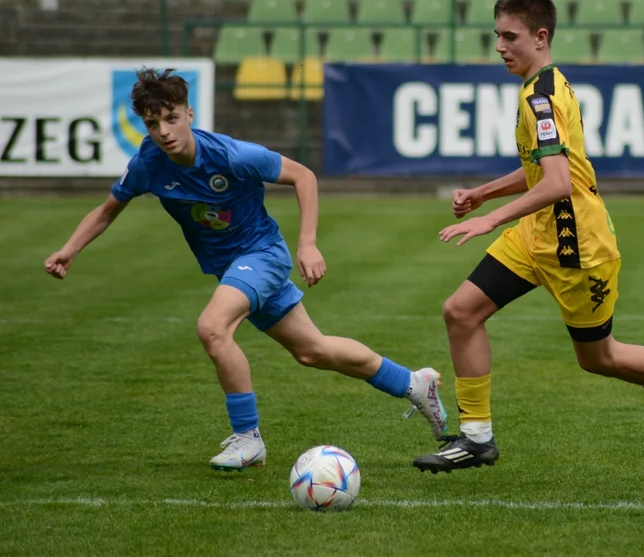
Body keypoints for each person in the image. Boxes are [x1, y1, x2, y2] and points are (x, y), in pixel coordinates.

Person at [44, 68, 448, 471]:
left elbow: (303, 177)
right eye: (152, 124)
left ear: (189, 113)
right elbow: (106, 211)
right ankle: (413, 383)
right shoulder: (148, 164)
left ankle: (247, 439)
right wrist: (69, 250)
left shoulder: (230, 155)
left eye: (171, 118)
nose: (164, 131)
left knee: (212, 327)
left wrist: (307, 243)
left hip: (262, 255)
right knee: (313, 351)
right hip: (233, 268)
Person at [412, 0, 644, 474]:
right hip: (536, 235)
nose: (500, 46)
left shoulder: (541, 98)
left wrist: (490, 218)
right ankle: (477, 438)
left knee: (599, 358)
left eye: (510, 36)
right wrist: (485, 192)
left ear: (540, 38)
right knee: (460, 312)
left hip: (578, 250)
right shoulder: (542, 86)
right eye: (496, 35)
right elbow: (544, 169)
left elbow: (559, 183)